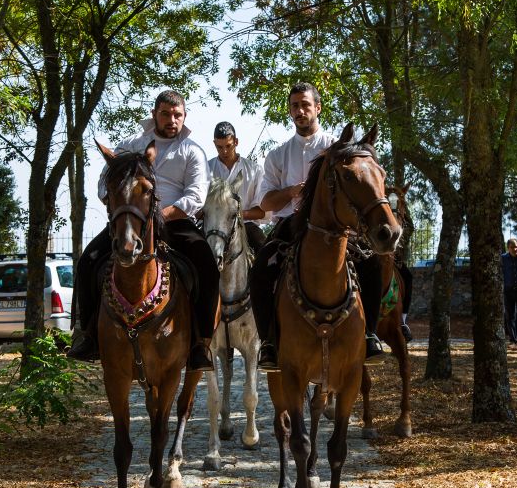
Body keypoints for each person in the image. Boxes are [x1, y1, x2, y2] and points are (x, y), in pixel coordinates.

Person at [67, 90, 219, 370]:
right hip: (128, 221)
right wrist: (122, 205)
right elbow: (104, 182)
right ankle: (86, 335)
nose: (172, 119)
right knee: (88, 260)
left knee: (207, 266)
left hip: (175, 222)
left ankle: (201, 343)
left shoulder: (193, 151)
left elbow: (196, 196)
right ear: (154, 115)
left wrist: (158, 216)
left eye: (178, 115)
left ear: (184, 117)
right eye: (165, 114)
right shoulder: (129, 145)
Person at [249, 82, 387, 369]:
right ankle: (269, 343)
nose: (300, 111)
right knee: (261, 267)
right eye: (295, 106)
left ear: (318, 108)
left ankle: (370, 335)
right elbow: (265, 203)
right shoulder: (277, 155)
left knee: (372, 264)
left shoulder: (337, 148)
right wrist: (292, 191)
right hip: (290, 224)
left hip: (336, 227)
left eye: (305, 105)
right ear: (289, 112)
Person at [208, 121, 269, 255]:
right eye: (219, 147)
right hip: (213, 228)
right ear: (214, 143)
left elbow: (262, 212)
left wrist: (237, 215)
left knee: (266, 254)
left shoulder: (254, 170)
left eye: (228, 146)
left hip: (246, 227)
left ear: (236, 141)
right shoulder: (206, 169)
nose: (224, 151)